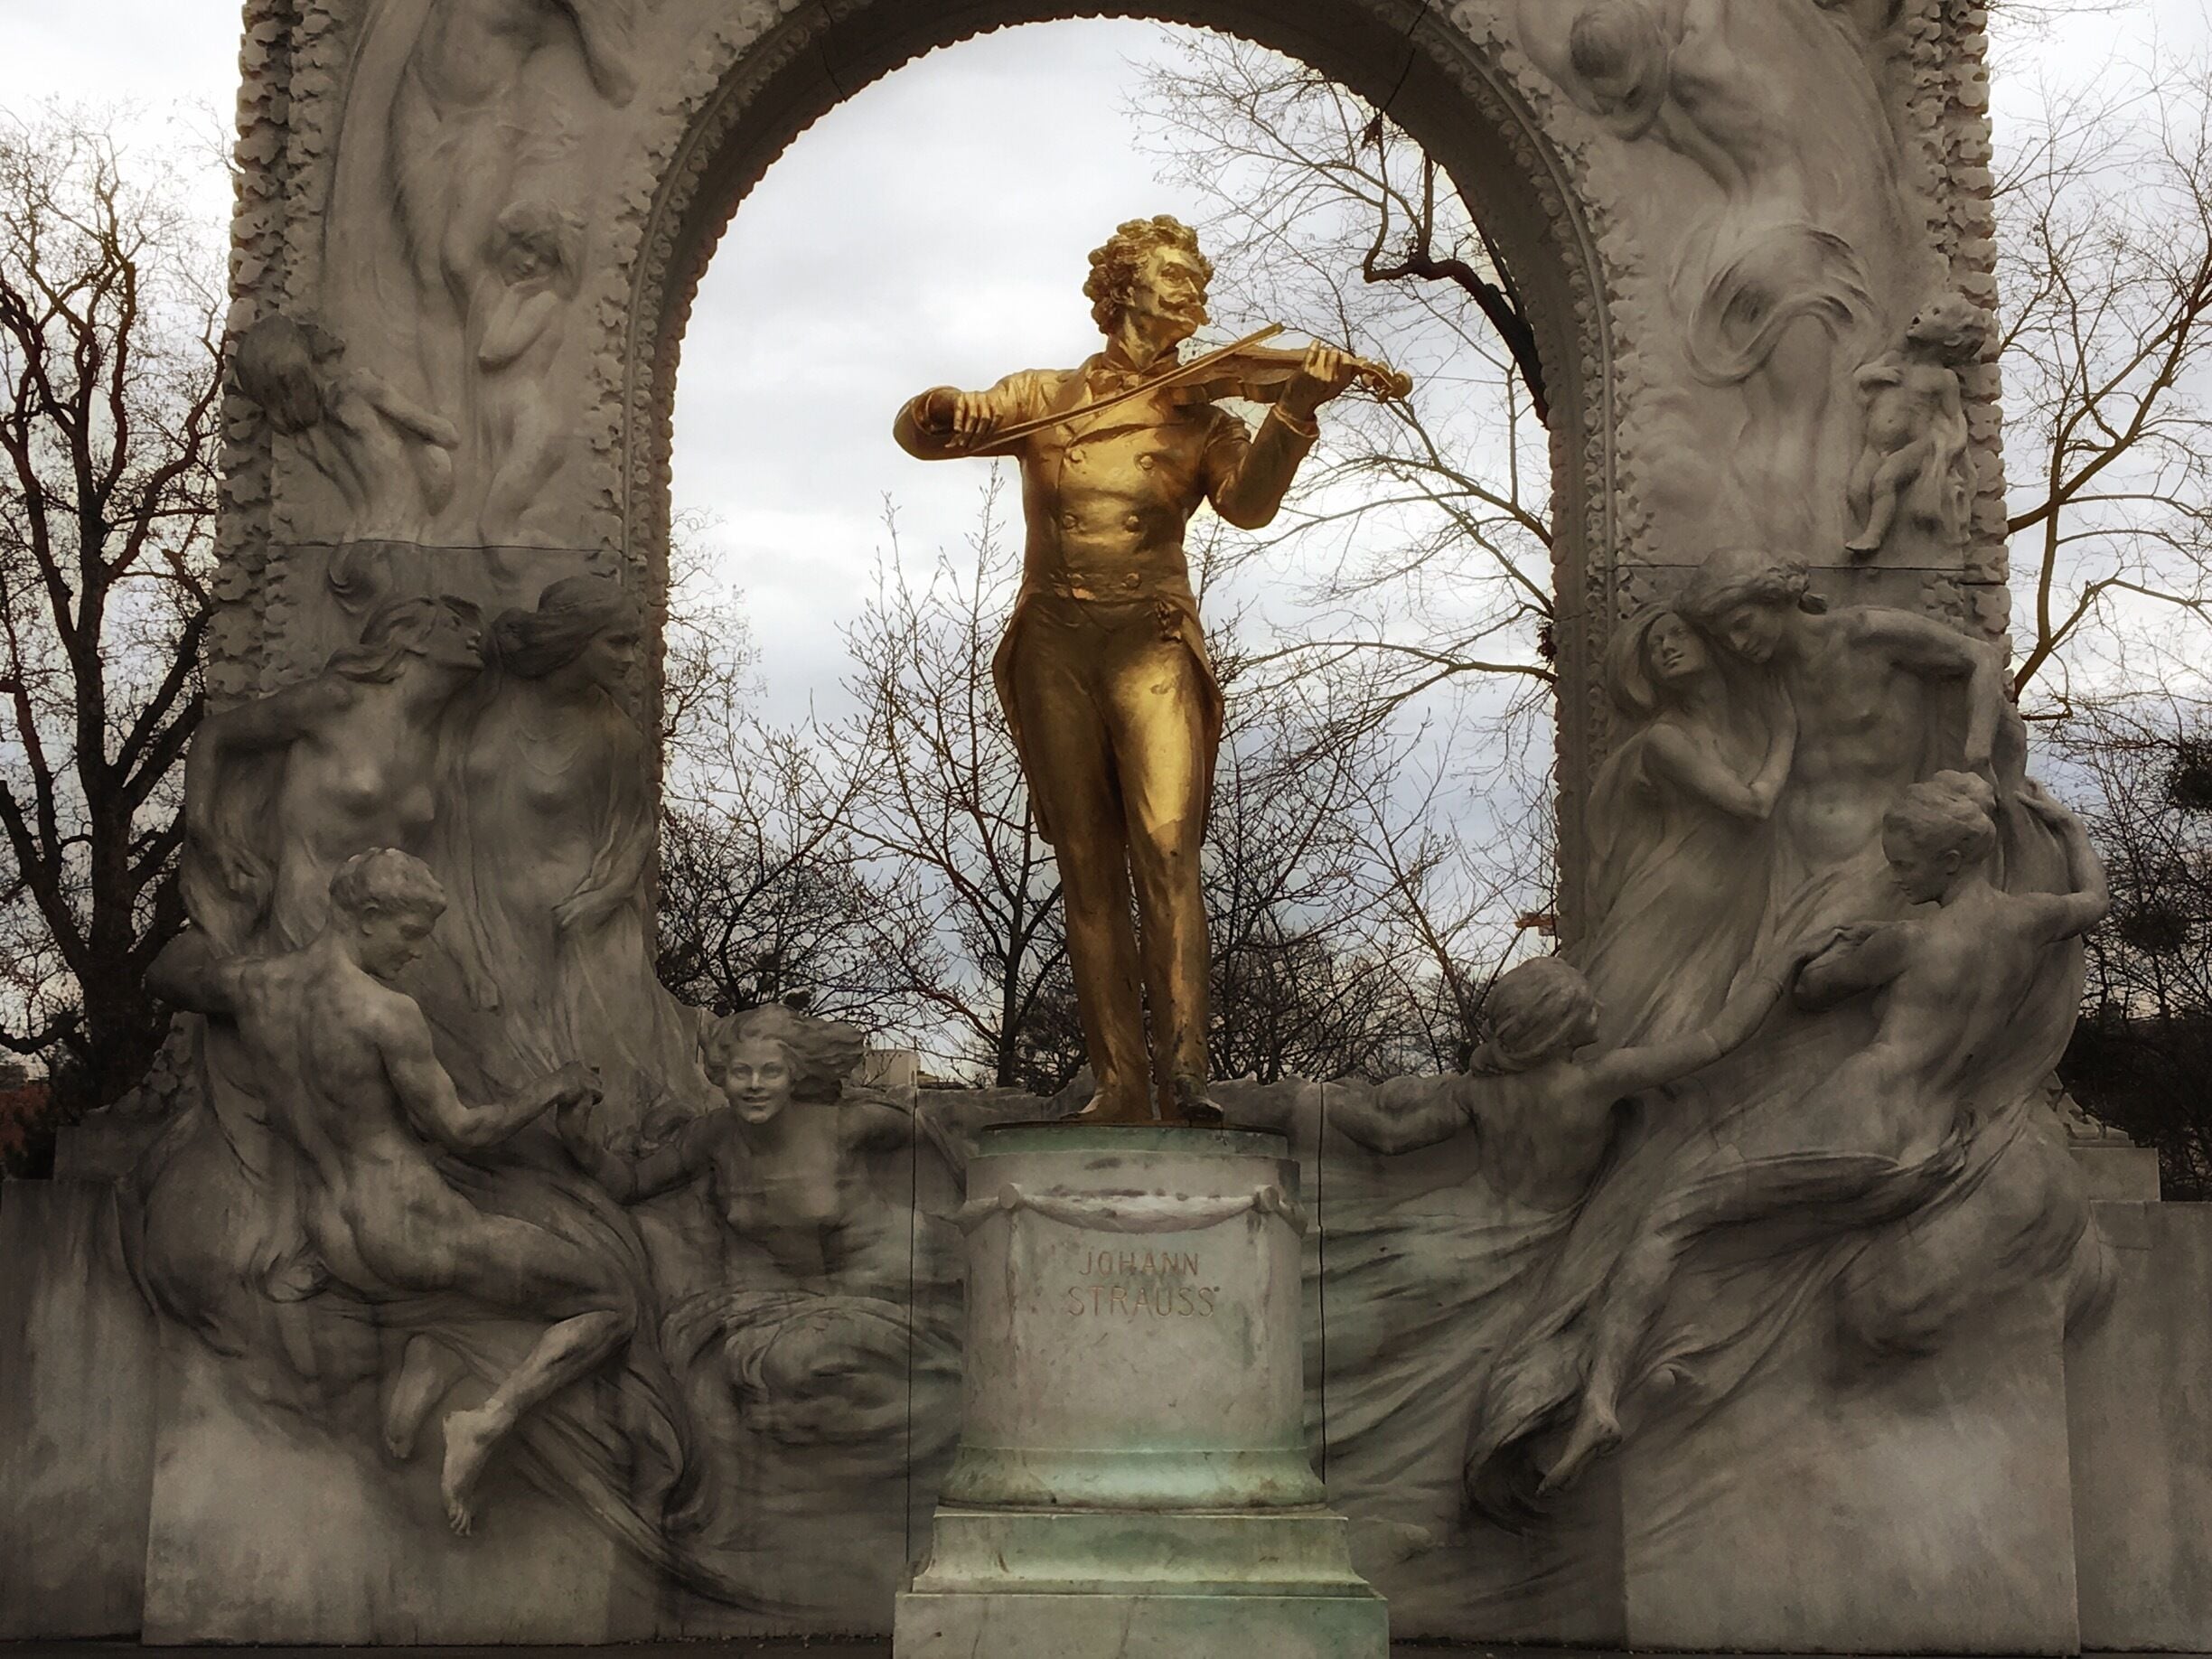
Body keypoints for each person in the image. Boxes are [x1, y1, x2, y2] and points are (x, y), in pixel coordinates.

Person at [893, 215, 1361, 1124]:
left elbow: (1250, 507)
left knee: (1169, 847)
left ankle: (1186, 1076)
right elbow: (929, 435)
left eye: (1197, 281)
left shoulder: (1206, 419)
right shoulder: (1043, 395)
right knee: (1085, 864)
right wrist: (939, 406)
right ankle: (1117, 1082)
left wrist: (1294, 408)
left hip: (1152, 640)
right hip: (1056, 643)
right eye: (1173, 276)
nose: (1193, 293)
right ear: (1121, 290)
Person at [1533, 773, 2110, 1493]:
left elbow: (1811, 989)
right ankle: (1689, 1362)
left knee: (1670, 1217)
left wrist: (1826, 944)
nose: (1896, 877)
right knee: (1765, 1240)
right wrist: (2065, 823)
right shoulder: (2027, 921)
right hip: (1926, 1145)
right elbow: (2095, 900)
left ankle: (1599, 1399)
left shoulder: (1907, 941)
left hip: (1856, 1117)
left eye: (1907, 863)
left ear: (1952, 859)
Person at [149, 848, 623, 1536]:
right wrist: (554, 1086)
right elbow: (463, 1130)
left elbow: (165, 974)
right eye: (411, 933)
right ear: (368, 917)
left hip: (330, 1236)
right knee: (608, 1298)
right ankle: (485, 1424)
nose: (416, 952)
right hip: (408, 1226)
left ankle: (432, 1355)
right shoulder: (385, 1013)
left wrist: (218, 921)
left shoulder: (255, 986)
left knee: (471, 1287)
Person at [436, 574, 707, 1143]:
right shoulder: (486, 698)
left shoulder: (613, 733)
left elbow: (635, 829)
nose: (631, 658)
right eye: (618, 642)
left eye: (634, 643)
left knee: (606, 1070)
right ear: (574, 638)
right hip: (484, 912)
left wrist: (603, 898)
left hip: (579, 925)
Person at [1323, 944, 1814, 1214]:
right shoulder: (1597, 1082)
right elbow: (1719, 1039)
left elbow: (1391, 1137)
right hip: (1536, 1233)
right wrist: (1780, 968)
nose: (1601, 1005)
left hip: (1464, 1215)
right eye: (1587, 1008)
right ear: (1558, 1029)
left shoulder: (1479, 1090)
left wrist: (1324, 1102)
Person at [1678, 545, 2011, 941]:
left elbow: (1982, 657)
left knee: (1804, 968)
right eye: (1725, 636)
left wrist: (1977, 755)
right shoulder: (1762, 682)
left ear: (1774, 598)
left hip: (1879, 860)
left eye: (1743, 623)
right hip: (1789, 869)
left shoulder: (1866, 635)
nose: (1737, 643)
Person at [561, 1003, 935, 1297]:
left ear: (795, 1076)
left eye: (771, 1071)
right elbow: (633, 1184)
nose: (755, 1085)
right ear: (722, 1077)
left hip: (889, 1281)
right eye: (742, 1072)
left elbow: (942, 1135)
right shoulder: (715, 1135)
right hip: (786, 1304)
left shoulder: (847, 1124)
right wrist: (579, 1140)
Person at [1580, 605, 1795, 1043]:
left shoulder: (1749, 721)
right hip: (1674, 894)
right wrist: (1787, 733)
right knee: (1613, 1028)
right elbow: (1754, 806)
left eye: (1678, 634)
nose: (1666, 648)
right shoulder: (1666, 739)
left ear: (1711, 641)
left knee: (1696, 1029)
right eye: (1655, 646)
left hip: (1734, 896)